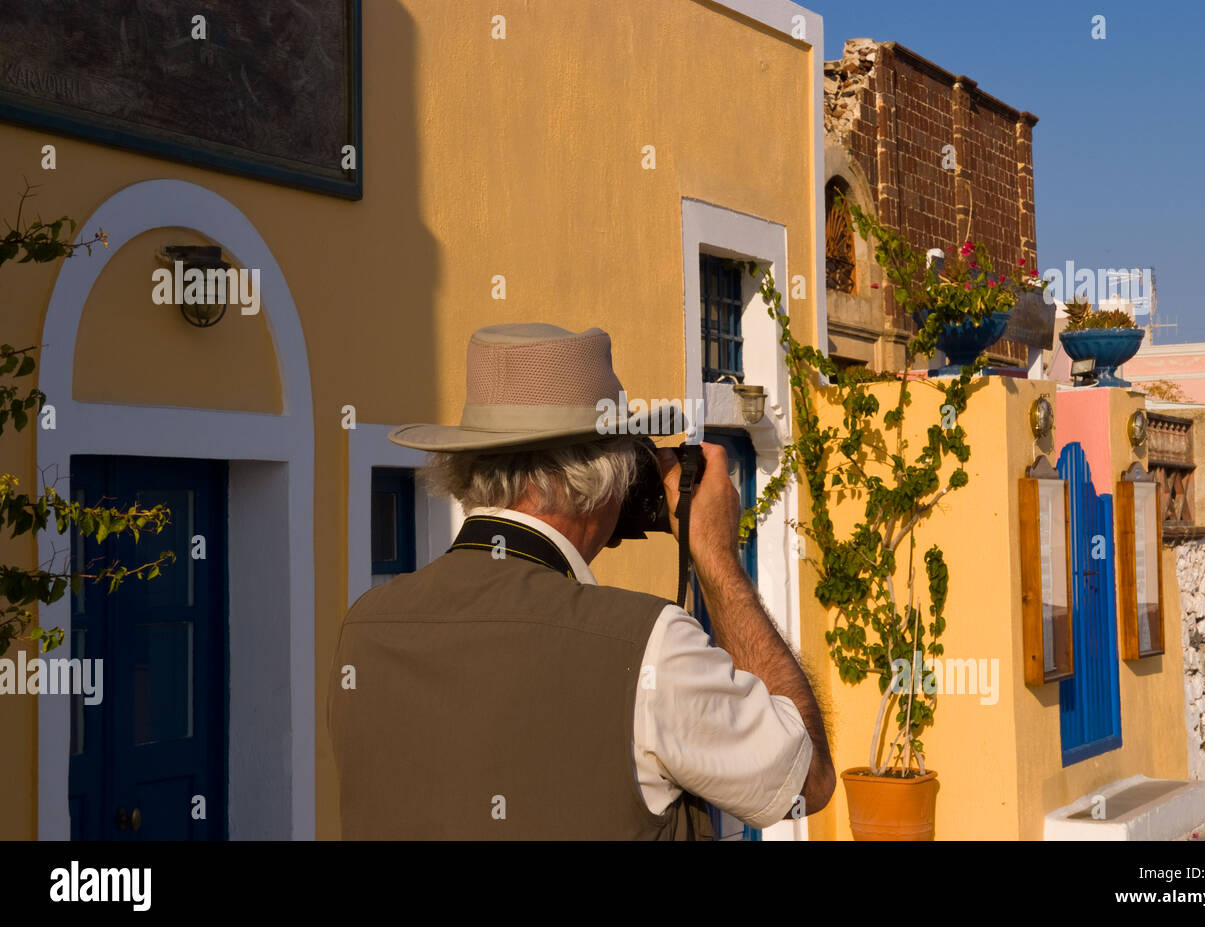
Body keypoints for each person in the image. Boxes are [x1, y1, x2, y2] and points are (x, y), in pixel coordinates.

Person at [327, 322, 834, 839]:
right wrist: (716, 557)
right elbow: (806, 780)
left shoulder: (364, 627)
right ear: (608, 473)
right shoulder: (649, 647)